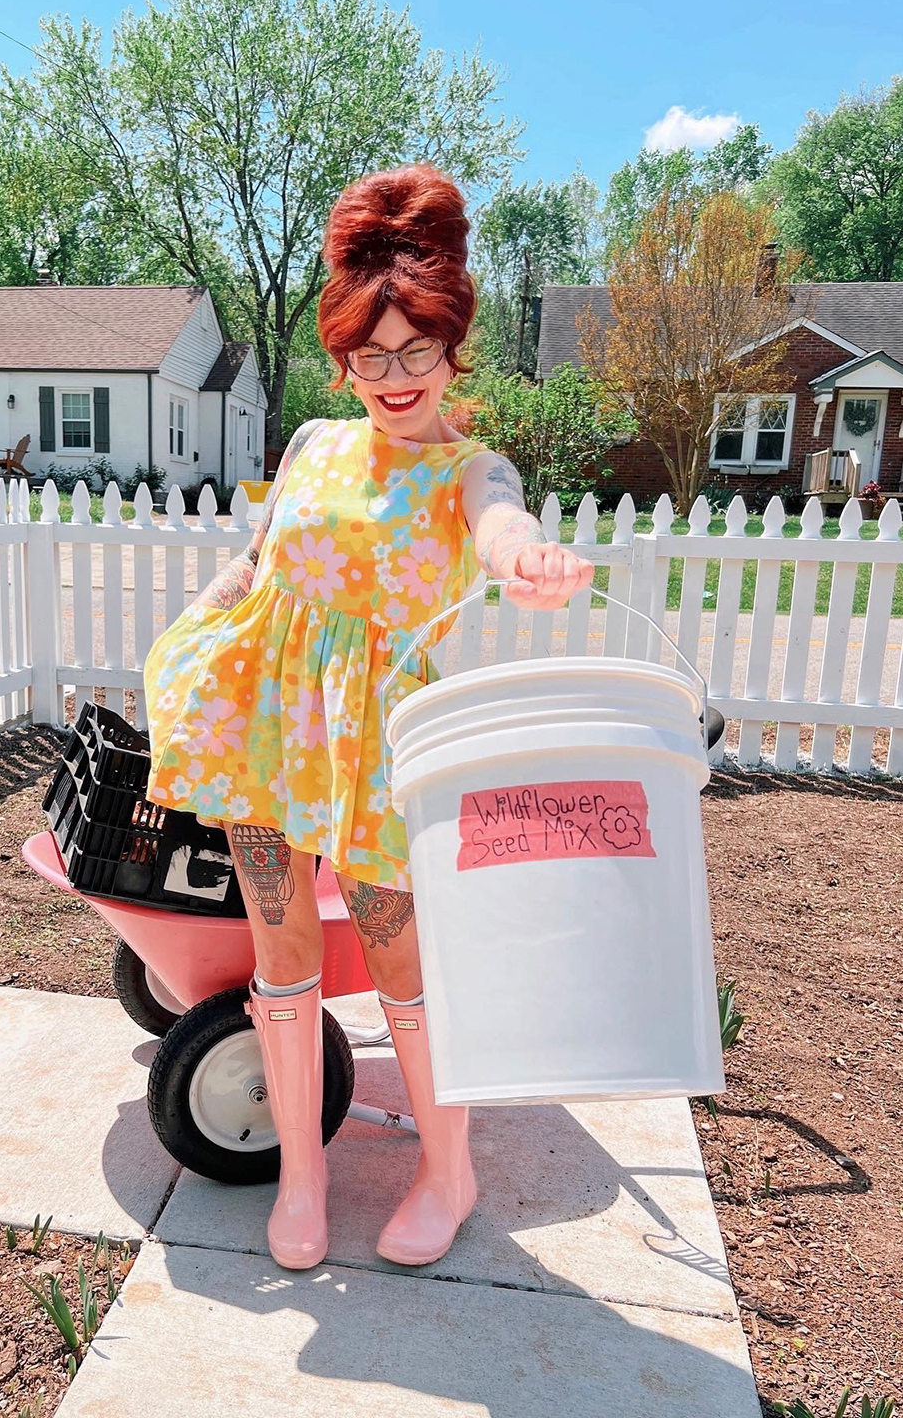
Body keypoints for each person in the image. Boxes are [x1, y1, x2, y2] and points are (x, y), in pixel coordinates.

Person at [143, 163, 594, 1272]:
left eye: (417, 352)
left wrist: (525, 557)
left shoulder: (468, 471)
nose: (394, 377)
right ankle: (303, 1171)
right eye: (369, 354)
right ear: (342, 354)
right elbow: (255, 564)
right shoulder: (309, 444)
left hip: (381, 750)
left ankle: (449, 1170)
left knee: (401, 962)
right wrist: (184, 638)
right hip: (262, 732)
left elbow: (501, 529)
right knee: (282, 948)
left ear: (451, 349)